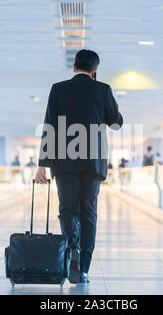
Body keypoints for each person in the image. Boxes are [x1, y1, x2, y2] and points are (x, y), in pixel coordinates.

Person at [35, 49, 123, 284]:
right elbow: (116, 123)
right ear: (95, 71)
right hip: (93, 163)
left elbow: (49, 126)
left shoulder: (58, 89)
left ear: (74, 66)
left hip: (63, 163)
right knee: (89, 212)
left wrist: (42, 165)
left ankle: (71, 250)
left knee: (67, 209)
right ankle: (83, 267)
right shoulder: (103, 89)